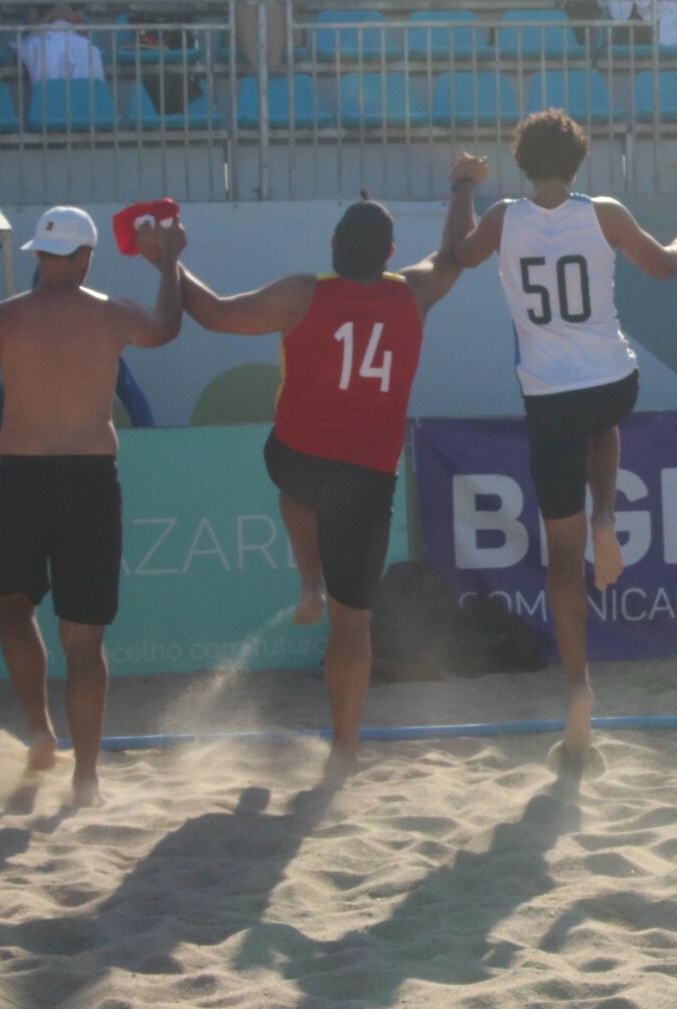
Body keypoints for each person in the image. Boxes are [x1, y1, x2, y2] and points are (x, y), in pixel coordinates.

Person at [0, 206, 186, 807]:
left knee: (15, 607)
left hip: (22, 476)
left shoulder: (3, 318)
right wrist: (171, 262)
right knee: (85, 637)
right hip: (90, 478)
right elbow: (166, 327)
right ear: (86, 256)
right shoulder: (110, 314)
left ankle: (41, 731)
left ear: (40, 254)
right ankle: (87, 777)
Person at [440, 114, 677, 762]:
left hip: (548, 392)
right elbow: (663, 267)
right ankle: (607, 514)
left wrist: (461, 188)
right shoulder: (604, 212)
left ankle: (578, 685)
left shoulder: (504, 217)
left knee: (562, 554)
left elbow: (457, 255)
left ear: (523, 162)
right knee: (605, 421)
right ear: (579, 160)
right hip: (612, 379)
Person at [172, 202, 461, 775]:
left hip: (300, 459)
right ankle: (346, 748)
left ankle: (309, 581)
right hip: (368, 478)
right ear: (390, 255)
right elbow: (453, 256)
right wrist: (462, 187)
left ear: (333, 242)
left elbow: (213, 314)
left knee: (290, 479)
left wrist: (169, 261)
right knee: (352, 623)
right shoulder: (413, 294)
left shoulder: (303, 293)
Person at [16, 0, 103, 86]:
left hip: (70, 37)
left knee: (89, 51)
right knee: (50, 53)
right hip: (42, 39)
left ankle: (87, 93)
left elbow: (85, 31)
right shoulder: (36, 0)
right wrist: (51, 14)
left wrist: (71, 16)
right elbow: (32, 30)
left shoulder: (74, 1)